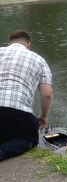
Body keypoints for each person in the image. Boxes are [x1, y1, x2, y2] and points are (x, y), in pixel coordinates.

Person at [0, 30, 53, 161]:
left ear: (9, 44)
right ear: (28, 45)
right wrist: (44, 116)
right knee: (29, 138)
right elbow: (47, 94)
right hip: (18, 112)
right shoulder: (39, 60)